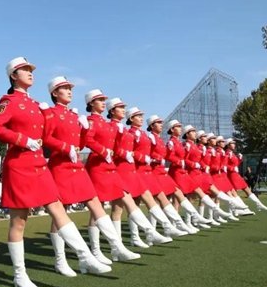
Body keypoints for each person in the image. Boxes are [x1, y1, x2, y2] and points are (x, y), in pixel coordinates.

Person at [0, 57, 111, 287]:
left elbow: (54, 134)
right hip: (19, 165)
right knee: (19, 221)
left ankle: (84, 256)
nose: (30, 73)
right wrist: (23, 140)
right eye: (25, 70)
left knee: (58, 209)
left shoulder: (35, 105)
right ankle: (19, 275)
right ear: (14, 75)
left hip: (39, 165)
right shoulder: (9, 101)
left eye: (31, 70)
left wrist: (79, 127)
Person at [42, 77, 140, 275]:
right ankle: (61, 260)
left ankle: (116, 246)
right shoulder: (52, 114)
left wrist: (83, 130)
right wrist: (65, 147)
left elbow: (80, 142)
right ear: (54, 93)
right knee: (61, 212)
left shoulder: (73, 116)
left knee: (95, 203)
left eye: (70, 88)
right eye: (65, 88)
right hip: (60, 166)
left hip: (76, 166)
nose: (70, 91)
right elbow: (47, 138)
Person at [84, 90, 170, 250]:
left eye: (104, 100)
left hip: (112, 168)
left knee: (120, 205)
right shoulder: (94, 121)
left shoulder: (107, 124)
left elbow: (115, 146)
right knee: (98, 209)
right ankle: (97, 249)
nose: (103, 102)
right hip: (100, 166)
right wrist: (106, 151)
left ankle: (146, 233)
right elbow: (89, 141)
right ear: (91, 104)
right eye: (99, 100)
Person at [106, 102, 179, 247]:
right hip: (122, 170)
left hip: (131, 169)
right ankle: (121, 244)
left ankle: (166, 226)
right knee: (118, 209)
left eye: (141, 116)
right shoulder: (118, 128)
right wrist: (132, 155)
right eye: (137, 116)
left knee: (135, 203)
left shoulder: (129, 131)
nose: (140, 118)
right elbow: (116, 149)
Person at [165, 121, 233, 230]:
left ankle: (188, 222)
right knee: (172, 200)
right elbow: (170, 156)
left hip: (184, 172)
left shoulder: (184, 144)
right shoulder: (178, 143)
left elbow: (196, 159)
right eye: (192, 131)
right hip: (179, 172)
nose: (180, 128)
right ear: (173, 129)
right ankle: (181, 223)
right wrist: (184, 163)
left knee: (183, 198)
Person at [145, 115, 200, 234]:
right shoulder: (165, 141)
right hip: (159, 172)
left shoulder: (163, 140)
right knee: (158, 201)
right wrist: (178, 161)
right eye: (178, 127)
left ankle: (179, 223)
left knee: (171, 198)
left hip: (166, 172)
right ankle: (158, 230)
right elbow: (166, 156)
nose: (180, 129)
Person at [225, 138, 267, 211]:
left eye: (234, 143)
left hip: (236, 175)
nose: (234, 145)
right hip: (231, 175)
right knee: (233, 192)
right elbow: (225, 165)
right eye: (232, 143)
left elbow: (235, 164)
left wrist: (239, 159)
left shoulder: (232, 153)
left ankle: (259, 204)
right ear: (228, 145)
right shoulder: (227, 153)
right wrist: (232, 168)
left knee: (246, 189)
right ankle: (240, 209)